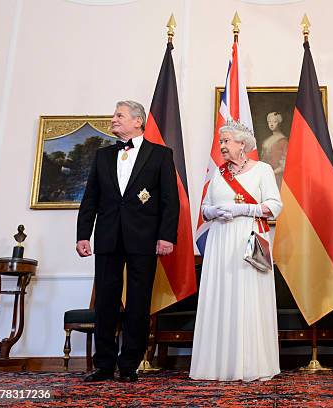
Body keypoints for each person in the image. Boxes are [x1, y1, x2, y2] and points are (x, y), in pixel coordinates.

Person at [76, 100, 179, 382]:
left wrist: (166, 236)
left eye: (119, 115)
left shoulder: (161, 155)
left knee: (138, 302)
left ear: (138, 121)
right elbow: (90, 199)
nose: (113, 119)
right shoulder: (102, 155)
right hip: (108, 237)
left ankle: (130, 365)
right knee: (106, 302)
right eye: (114, 115)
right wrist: (83, 234)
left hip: (144, 239)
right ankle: (104, 365)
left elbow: (171, 201)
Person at [189, 119, 282, 381]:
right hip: (220, 242)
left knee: (248, 297)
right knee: (222, 296)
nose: (222, 146)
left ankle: (252, 364)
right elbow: (204, 207)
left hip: (249, 240)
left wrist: (245, 209)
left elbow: (275, 206)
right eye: (221, 142)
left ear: (242, 145)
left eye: (226, 141)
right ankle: (216, 365)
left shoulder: (262, 170)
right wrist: (213, 211)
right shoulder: (217, 173)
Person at [260, 111, 288, 188]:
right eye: (269, 122)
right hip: (266, 176)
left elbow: (285, 163)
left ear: (279, 123)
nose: (271, 124)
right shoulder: (266, 141)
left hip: (277, 177)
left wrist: (272, 173)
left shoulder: (283, 141)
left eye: (274, 121)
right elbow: (263, 160)